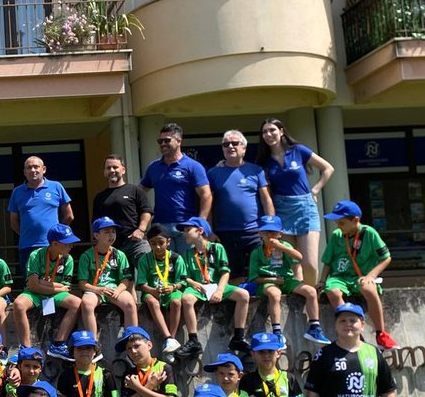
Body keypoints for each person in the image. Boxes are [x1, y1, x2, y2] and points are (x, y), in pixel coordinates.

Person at [258, 118, 334, 285]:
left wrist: (315, 190)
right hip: (281, 209)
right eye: (265, 131)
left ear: (281, 131)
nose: (269, 134)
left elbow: (328, 168)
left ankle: (311, 293)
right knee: (293, 263)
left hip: (305, 207)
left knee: (310, 263)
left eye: (272, 130)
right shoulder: (263, 160)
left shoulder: (298, 150)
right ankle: (299, 297)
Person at [320, 200, 396, 350]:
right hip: (340, 277)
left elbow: (386, 257)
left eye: (341, 223)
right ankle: (356, 335)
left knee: (368, 288)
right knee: (333, 292)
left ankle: (381, 333)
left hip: (361, 276)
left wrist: (371, 276)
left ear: (355, 220)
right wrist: (322, 281)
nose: (338, 227)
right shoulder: (337, 235)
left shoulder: (369, 233)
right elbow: (327, 261)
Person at [249, 215, 329, 346]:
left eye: (273, 232)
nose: (270, 236)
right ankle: (277, 332)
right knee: (275, 294)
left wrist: (282, 247)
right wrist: (272, 279)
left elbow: (300, 257)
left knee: (310, 291)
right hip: (267, 282)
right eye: (266, 232)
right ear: (260, 233)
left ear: (280, 234)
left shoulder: (284, 246)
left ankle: (314, 327)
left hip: (287, 280)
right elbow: (254, 278)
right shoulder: (257, 252)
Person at [178, 217, 251, 356]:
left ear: (200, 231)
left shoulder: (216, 248)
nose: (184, 233)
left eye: (188, 230)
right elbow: (184, 276)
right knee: (187, 298)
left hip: (217, 286)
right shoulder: (187, 254)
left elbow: (225, 273)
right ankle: (193, 340)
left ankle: (238, 336)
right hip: (199, 288)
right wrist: (194, 283)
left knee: (243, 295)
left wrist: (219, 291)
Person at [10, 222, 82, 358]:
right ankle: (26, 347)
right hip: (34, 294)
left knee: (77, 303)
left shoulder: (68, 259)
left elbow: (65, 287)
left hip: (54, 296)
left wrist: (43, 284)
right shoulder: (36, 255)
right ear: (54, 244)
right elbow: (32, 286)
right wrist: (55, 286)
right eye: (67, 243)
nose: (71, 246)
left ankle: (59, 344)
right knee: (19, 304)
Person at [208, 131, 274, 278]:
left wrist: (271, 228)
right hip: (224, 234)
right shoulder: (213, 173)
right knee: (230, 276)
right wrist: (210, 231)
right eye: (225, 144)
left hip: (254, 232)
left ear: (244, 148)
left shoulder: (256, 171)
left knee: (261, 274)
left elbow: (266, 199)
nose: (230, 146)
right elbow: (208, 205)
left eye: (234, 143)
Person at [139, 123, 212, 249]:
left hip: (186, 226)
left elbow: (206, 194)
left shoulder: (193, 166)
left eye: (167, 140)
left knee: (188, 266)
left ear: (179, 141)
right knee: (165, 267)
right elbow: (140, 191)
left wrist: (201, 221)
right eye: (160, 141)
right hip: (161, 226)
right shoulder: (153, 167)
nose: (162, 144)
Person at [7, 155, 74, 268]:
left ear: (43, 169)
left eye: (36, 167)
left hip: (52, 245)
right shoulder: (17, 192)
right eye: (29, 168)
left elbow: (69, 216)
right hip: (27, 247)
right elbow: (13, 222)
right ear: (24, 172)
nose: (33, 170)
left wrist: (57, 234)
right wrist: (26, 234)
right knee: (30, 283)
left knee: (53, 281)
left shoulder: (56, 187)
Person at [76, 216, 137, 337]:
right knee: (87, 303)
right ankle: (92, 343)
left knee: (130, 303)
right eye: (107, 232)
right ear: (96, 235)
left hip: (114, 289)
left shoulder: (119, 254)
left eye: (113, 231)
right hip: (95, 290)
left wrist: (118, 290)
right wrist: (98, 289)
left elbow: (125, 279)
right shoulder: (86, 256)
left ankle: (132, 339)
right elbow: (82, 284)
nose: (111, 235)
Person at [134, 224, 185, 359]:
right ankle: (167, 337)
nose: (157, 247)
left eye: (161, 243)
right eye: (153, 243)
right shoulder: (144, 259)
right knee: (152, 302)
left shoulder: (176, 258)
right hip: (152, 292)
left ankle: (171, 339)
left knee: (176, 302)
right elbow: (141, 284)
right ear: (149, 243)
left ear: (168, 242)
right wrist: (152, 290)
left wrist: (173, 287)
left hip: (171, 290)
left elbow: (183, 281)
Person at [91, 155, 152, 266]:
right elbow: (96, 222)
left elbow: (146, 212)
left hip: (135, 243)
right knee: (115, 281)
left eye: (115, 167)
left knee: (148, 269)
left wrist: (141, 230)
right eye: (108, 168)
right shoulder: (99, 197)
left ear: (123, 170)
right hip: (110, 245)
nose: (112, 170)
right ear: (104, 172)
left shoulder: (135, 191)